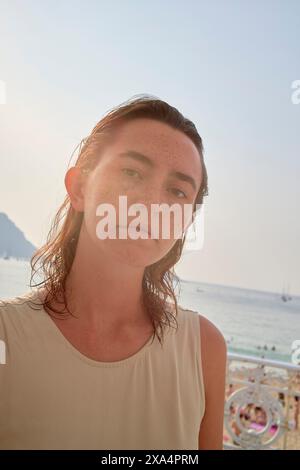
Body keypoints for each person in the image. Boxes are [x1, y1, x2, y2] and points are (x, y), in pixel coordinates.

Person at [0, 94, 227, 450]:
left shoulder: (203, 349)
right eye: (132, 172)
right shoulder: (5, 337)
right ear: (79, 188)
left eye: (178, 191)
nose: (153, 204)